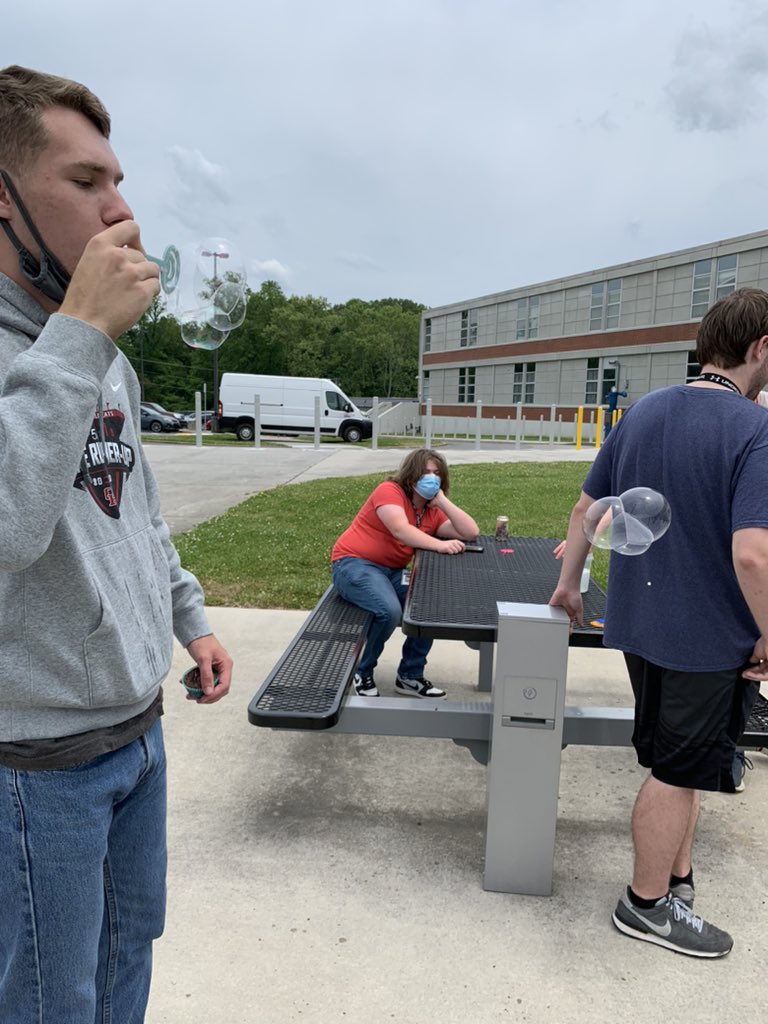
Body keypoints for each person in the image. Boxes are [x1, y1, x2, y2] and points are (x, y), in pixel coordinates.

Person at [0, 65, 233, 1023]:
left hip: (137, 734)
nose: (120, 210)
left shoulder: (104, 358)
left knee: (127, 960)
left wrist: (189, 618)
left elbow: (134, 511)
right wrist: (78, 335)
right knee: (52, 1002)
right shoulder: (71, 347)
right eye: (85, 180)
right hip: (35, 767)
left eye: (119, 181)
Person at [550, 287, 768, 960]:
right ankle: (645, 907)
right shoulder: (756, 429)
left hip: (640, 624)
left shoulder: (642, 411)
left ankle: (677, 877)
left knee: (682, 763)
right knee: (678, 770)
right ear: (762, 348)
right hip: (708, 638)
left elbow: (586, 512)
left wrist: (568, 585)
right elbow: (753, 554)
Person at [332, 449, 479, 698]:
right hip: (354, 564)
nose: (431, 478)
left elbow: (470, 532)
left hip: (392, 572)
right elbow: (400, 529)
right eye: (425, 472)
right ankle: (362, 671)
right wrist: (440, 545)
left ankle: (410, 676)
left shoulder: (431, 511)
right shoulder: (389, 491)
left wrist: (442, 501)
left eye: (437, 474)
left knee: (429, 606)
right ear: (411, 476)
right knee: (388, 611)